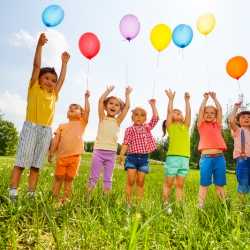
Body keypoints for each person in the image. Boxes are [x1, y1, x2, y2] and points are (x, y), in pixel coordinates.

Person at [9, 33, 70, 200]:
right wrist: (39, 46)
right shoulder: (34, 88)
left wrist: (64, 63)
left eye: (53, 80)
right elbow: (36, 66)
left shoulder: (54, 94)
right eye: (47, 78)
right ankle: (13, 191)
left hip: (45, 132)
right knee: (21, 163)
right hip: (31, 127)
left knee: (36, 165)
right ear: (39, 79)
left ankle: (31, 193)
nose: (50, 82)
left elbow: (62, 80)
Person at [88, 85, 132, 193]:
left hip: (111, 153)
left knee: (108, 179)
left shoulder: (118, 121)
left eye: (117, 105)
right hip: (98, 151)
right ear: (106, 106)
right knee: (93, 177)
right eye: (111, 103)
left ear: (119, 110)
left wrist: (127, 95)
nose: (113, 106)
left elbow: (127, 107)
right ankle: (87, 198)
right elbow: (100, 101)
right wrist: (107, 91)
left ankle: (105, 199)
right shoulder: (102, 117)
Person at [48, 91, 90, 204]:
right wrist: (51, 152)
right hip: (61, 157)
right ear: (67, 114)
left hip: (75, 157)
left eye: (76, 108)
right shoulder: (61, 126)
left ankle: (66, 199)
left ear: (81, 114)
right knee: (58, 178)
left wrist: (86, 98)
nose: (72, 109)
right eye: (70, 108)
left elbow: (88, 111)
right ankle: (54, 198)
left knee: (69, 179)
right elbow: (56, 141)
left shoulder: (82, 123)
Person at [119, 99, 159, 207]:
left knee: (140, 182)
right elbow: (126, 143)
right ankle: (127, 203)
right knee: (131, 180)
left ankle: (138, 204)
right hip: (132, 157)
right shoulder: (129, 129)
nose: (139, 117)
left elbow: (156, 118)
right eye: (136, 114)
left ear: (145, 118)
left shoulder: (147, 127)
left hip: (144, 159)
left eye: (142, 115)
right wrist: (121, 155)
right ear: (132, 117)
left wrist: (153, 105)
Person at [162, 89, 191, 211]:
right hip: (173, 158)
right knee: (169, 183)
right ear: (171, 117)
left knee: (180, 185)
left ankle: (179, 205)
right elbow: (169, 112)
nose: (179, 113)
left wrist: (187, 101)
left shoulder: (185, 126)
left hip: (185, 159)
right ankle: (165, 204)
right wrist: (171, 100)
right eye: (176, 112)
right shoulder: (171, 127)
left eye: (180, 113)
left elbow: (188, 114)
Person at [197, 92, 227, 208]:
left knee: (219, 184)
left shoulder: (218, 125)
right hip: (206, 159)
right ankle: (200, 205)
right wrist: (205, 99)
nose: (209, 115)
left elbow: (219, 109)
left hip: (219, 158)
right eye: (207, 112)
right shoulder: (201, 125)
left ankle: (223, 205)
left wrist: (215, 98)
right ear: (203, 115)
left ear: (215, 115)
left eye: (212, 113)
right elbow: (200, 110)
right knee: (204, 183)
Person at [228, 103, 250, 199]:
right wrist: (235, 107)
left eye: (249, 117)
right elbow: (231, 121)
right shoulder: (238, 130)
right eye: (243, 117)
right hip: (243, 160)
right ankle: (241, 208)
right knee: (243, 183)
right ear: (238, 121)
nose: (247, 119)